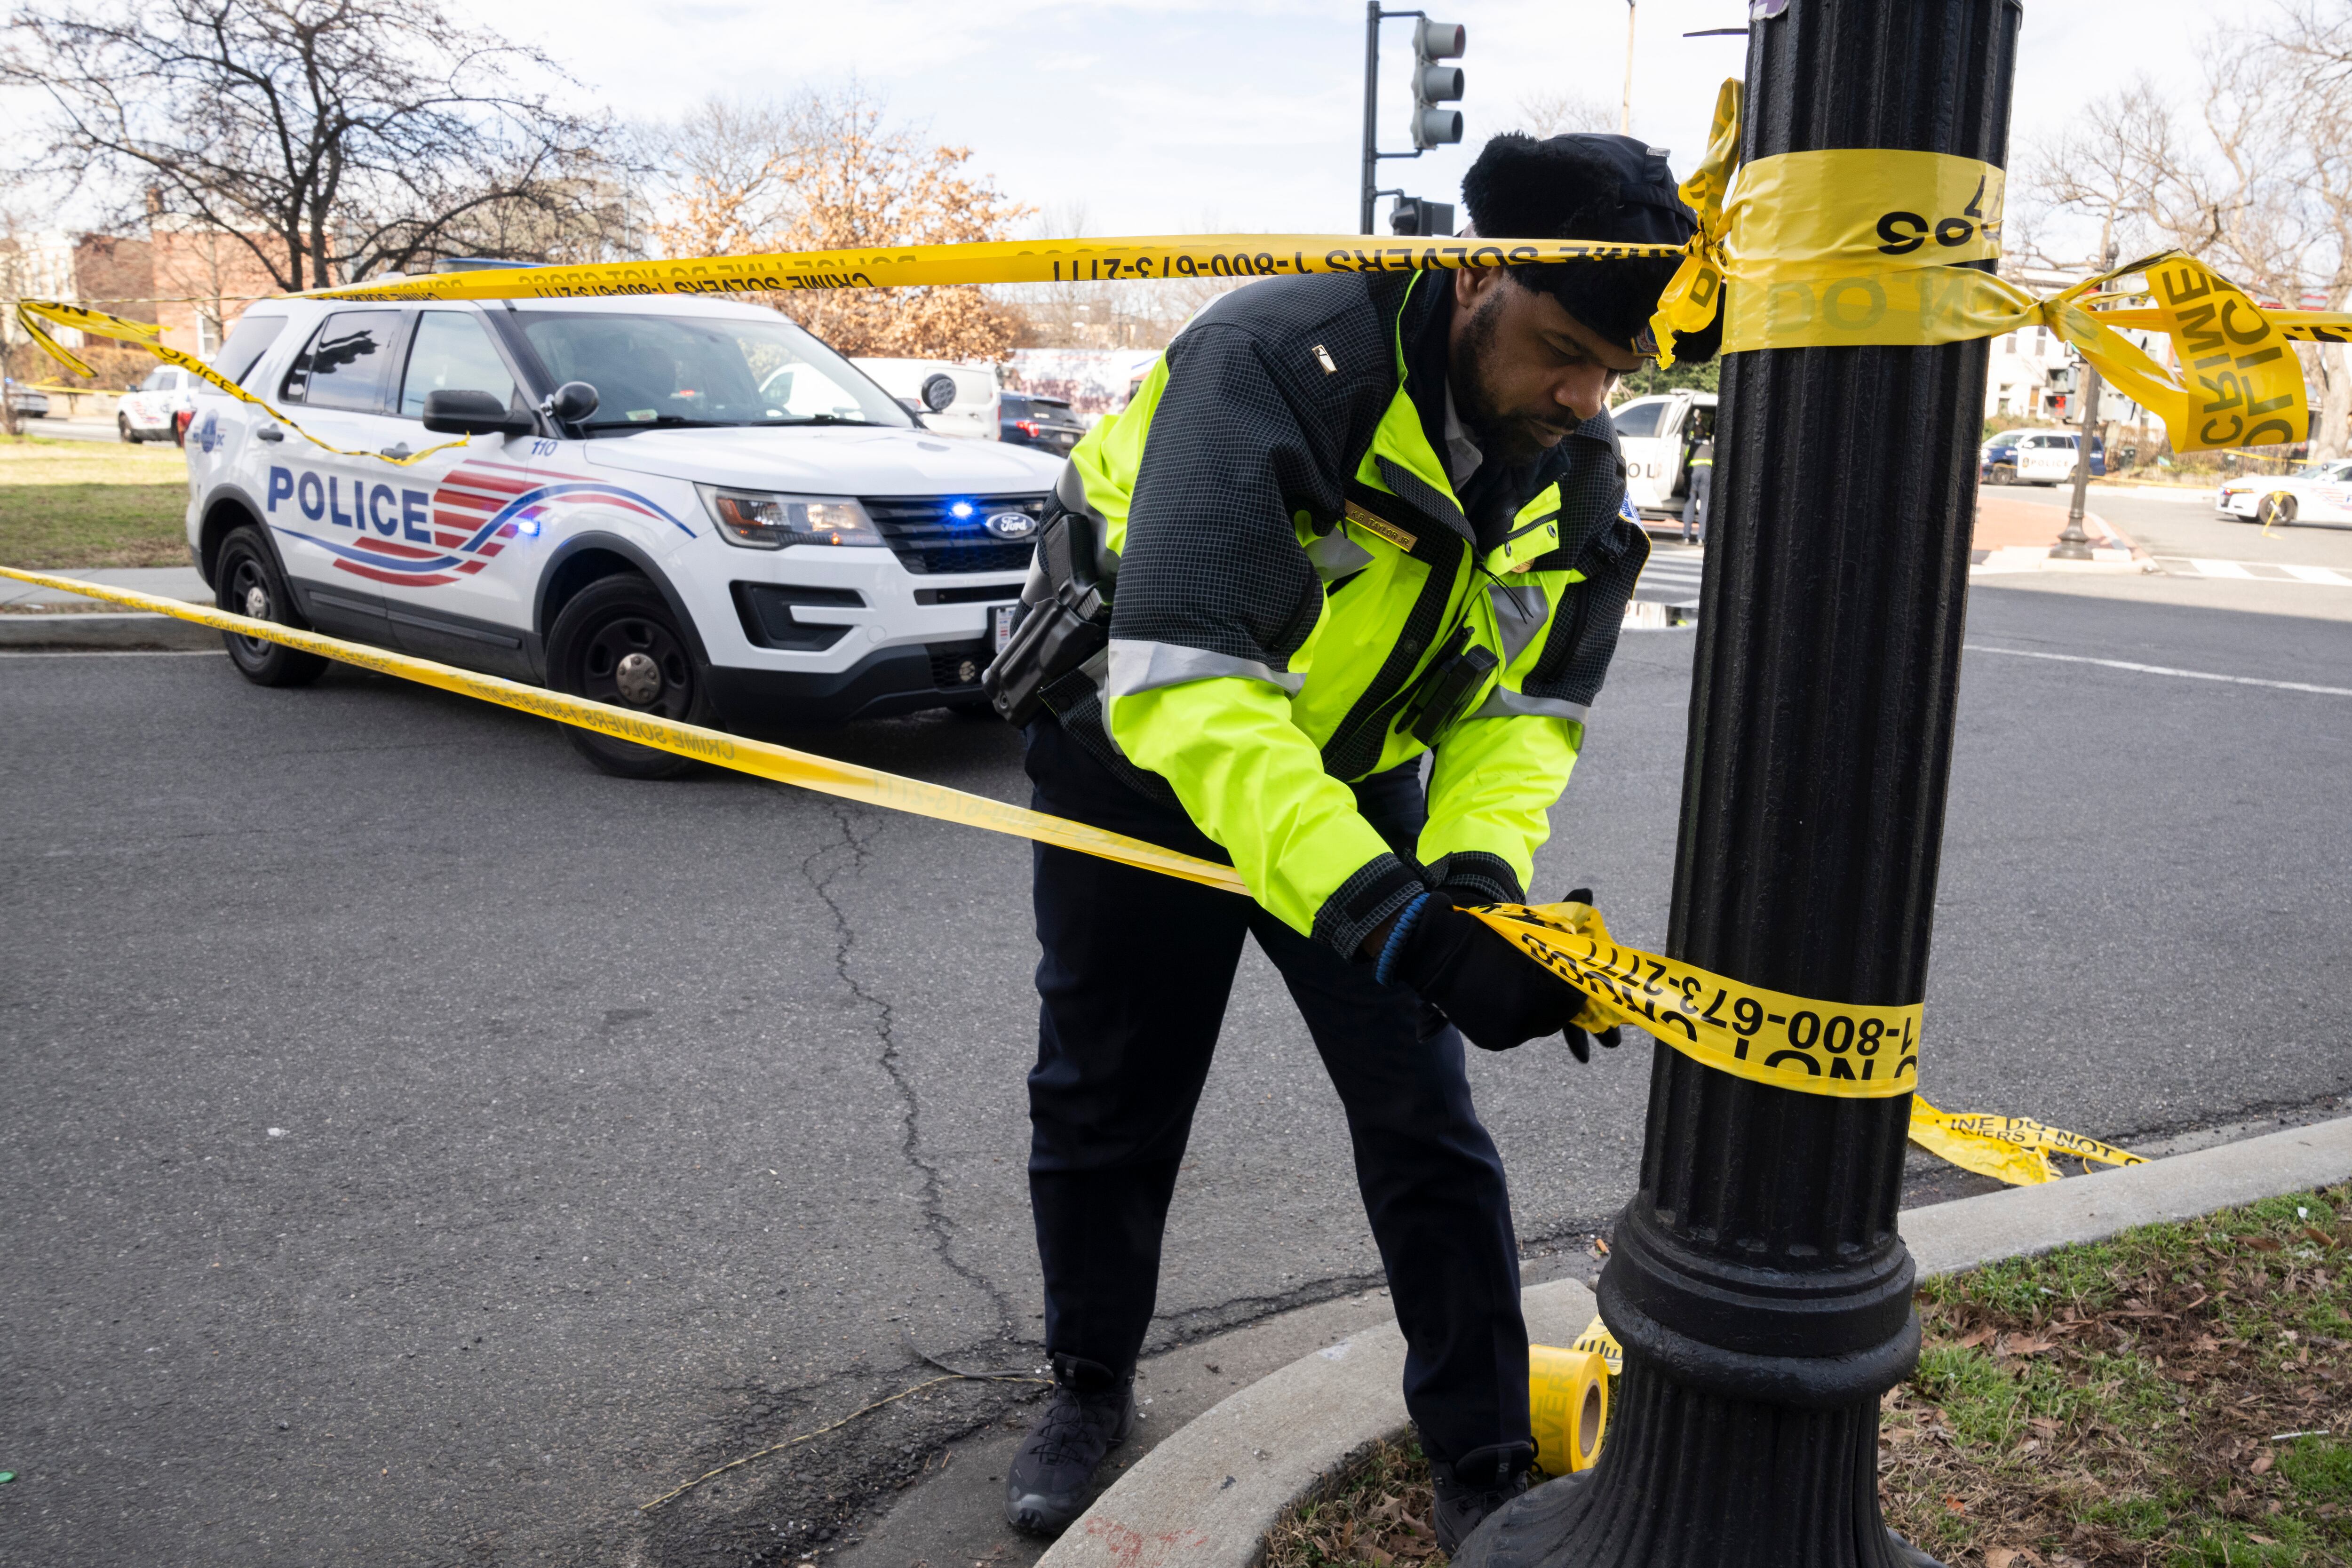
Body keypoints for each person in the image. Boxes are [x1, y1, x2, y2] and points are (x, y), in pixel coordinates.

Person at [985, 131, 1720, 1548]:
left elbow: (1526, 707)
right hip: (1139, 760)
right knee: (1105, 1094)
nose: (1581, 398)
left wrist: (1476, 880)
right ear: (1469, 280)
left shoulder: (1570, 461)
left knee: (1423, 1117)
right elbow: (1191, 686)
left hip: (1356, 777)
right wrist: (1390, 920)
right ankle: (1087, 1387)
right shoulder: (1277, 360)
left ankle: (1486, 1452)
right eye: (1560, 348)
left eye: (1612, 373)